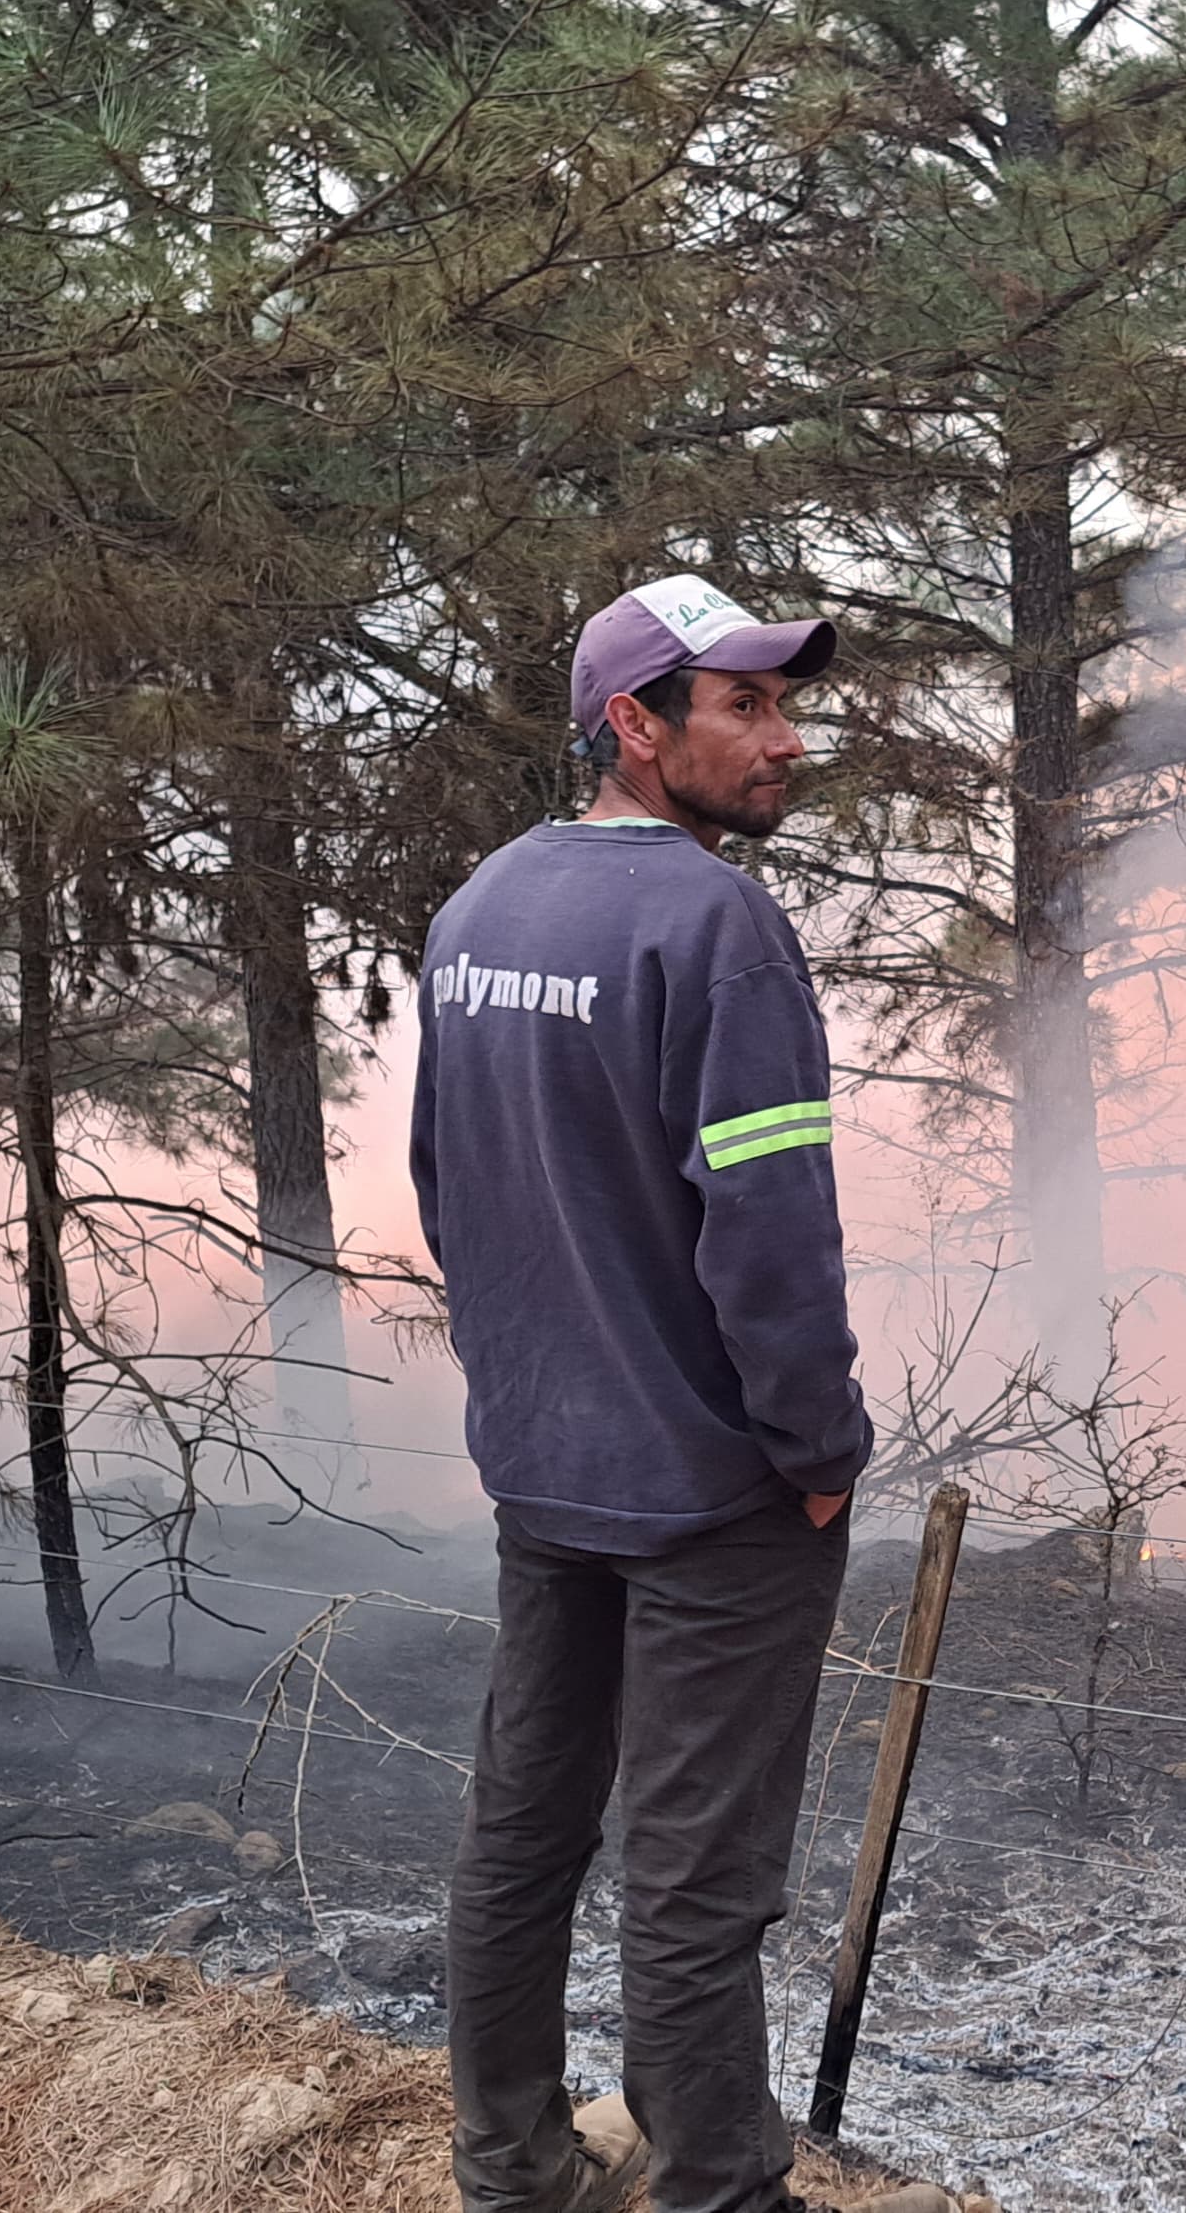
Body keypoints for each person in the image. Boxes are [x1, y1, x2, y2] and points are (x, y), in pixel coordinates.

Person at [412, 573, 870, 2213]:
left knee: (522, 1835)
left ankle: (514, 2174)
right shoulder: (712, 923)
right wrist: (817, 1447)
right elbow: (769, 1231)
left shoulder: (478, 913)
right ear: (637, 723)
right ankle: (720, 2195)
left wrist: (526, 1399)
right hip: (709, 1495)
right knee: (697, 1885)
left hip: (545, 1469)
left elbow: (446, 1195)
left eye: (781, 702)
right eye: (742, 706)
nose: (784, 738)